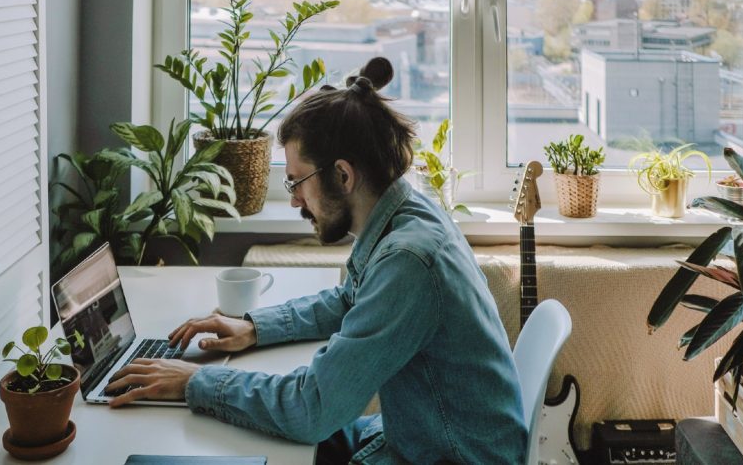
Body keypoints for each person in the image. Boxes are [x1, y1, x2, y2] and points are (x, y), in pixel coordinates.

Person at [106, 57, 527, 464]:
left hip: (445, 456)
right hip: (421, 434)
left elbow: (312, 409)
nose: (292, 199)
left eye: (296, 181)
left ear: (343, 175)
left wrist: (195, 381)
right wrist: (255, 327)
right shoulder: (407, 213)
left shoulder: (408, 261)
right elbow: (352, 301)